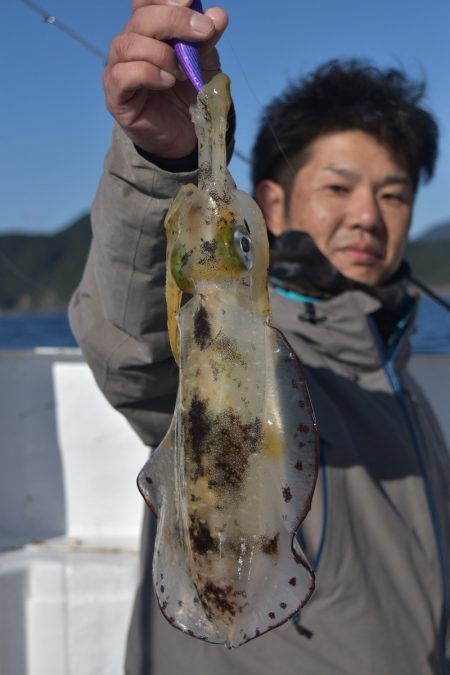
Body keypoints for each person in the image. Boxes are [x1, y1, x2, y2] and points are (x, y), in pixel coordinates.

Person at [69, 1, 450, 673]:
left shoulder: (405, 388)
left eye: (394, 194)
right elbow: (137, 353)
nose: (367, 215)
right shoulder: (245, 343)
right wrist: (164, 163)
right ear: (272, 203)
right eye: (340, 186)